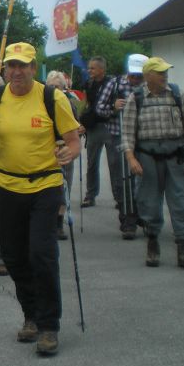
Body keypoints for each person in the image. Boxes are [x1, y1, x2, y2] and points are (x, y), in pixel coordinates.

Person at [0, 43, 80, 355]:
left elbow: (74, 143)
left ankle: (49, 326)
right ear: (4, 70)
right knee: (14, 256)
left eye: (24, 66)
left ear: (34, 68)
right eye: (11, 66)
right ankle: (30, 315)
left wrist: (66, 153)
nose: (17, 72)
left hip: (44, 185)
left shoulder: (52, 97)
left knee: (42, 254)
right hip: (6, 186)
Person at [121, 57, 184, 268]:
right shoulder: (135, 98)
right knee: (149, 203)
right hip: (147, 158)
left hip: (176, 157)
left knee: (181, 203)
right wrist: (131, 158)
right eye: (160, 72)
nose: (165, 75)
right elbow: (127, 134)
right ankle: (153, 242)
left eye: (166, 72)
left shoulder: (176, 94)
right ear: (148, 76)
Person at [94, 54, 147, 239]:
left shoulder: (148, 86)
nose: (135, 79)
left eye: (139, 75)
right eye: (133, 75)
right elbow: (99, 108)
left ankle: (142, 214)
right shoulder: (115, 84)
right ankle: (128, 220)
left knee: (143, 178)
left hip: (144, 137)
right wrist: (113, 106)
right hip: (119, 134)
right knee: (122, 179)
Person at [46, 71, 80, 240]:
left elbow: (76, 128)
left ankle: (59, 222)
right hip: (46, 151)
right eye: (51, 86)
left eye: (57, 87)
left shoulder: (68, 104)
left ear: (63, 88)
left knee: (64, 185)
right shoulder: (43, 103)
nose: (54, 90)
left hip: (64, 148)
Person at [79, 57, 115, 208]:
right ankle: (90, 195)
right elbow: (86, 105)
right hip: (93, 128)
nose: (89, 70)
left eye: (92, 68)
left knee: (115, 164)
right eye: (89, 68)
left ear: (102, 69)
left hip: (109, 126)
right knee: (92, 163)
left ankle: (119, 197)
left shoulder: (112, 84)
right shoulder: (88, 84)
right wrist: (82, 122)